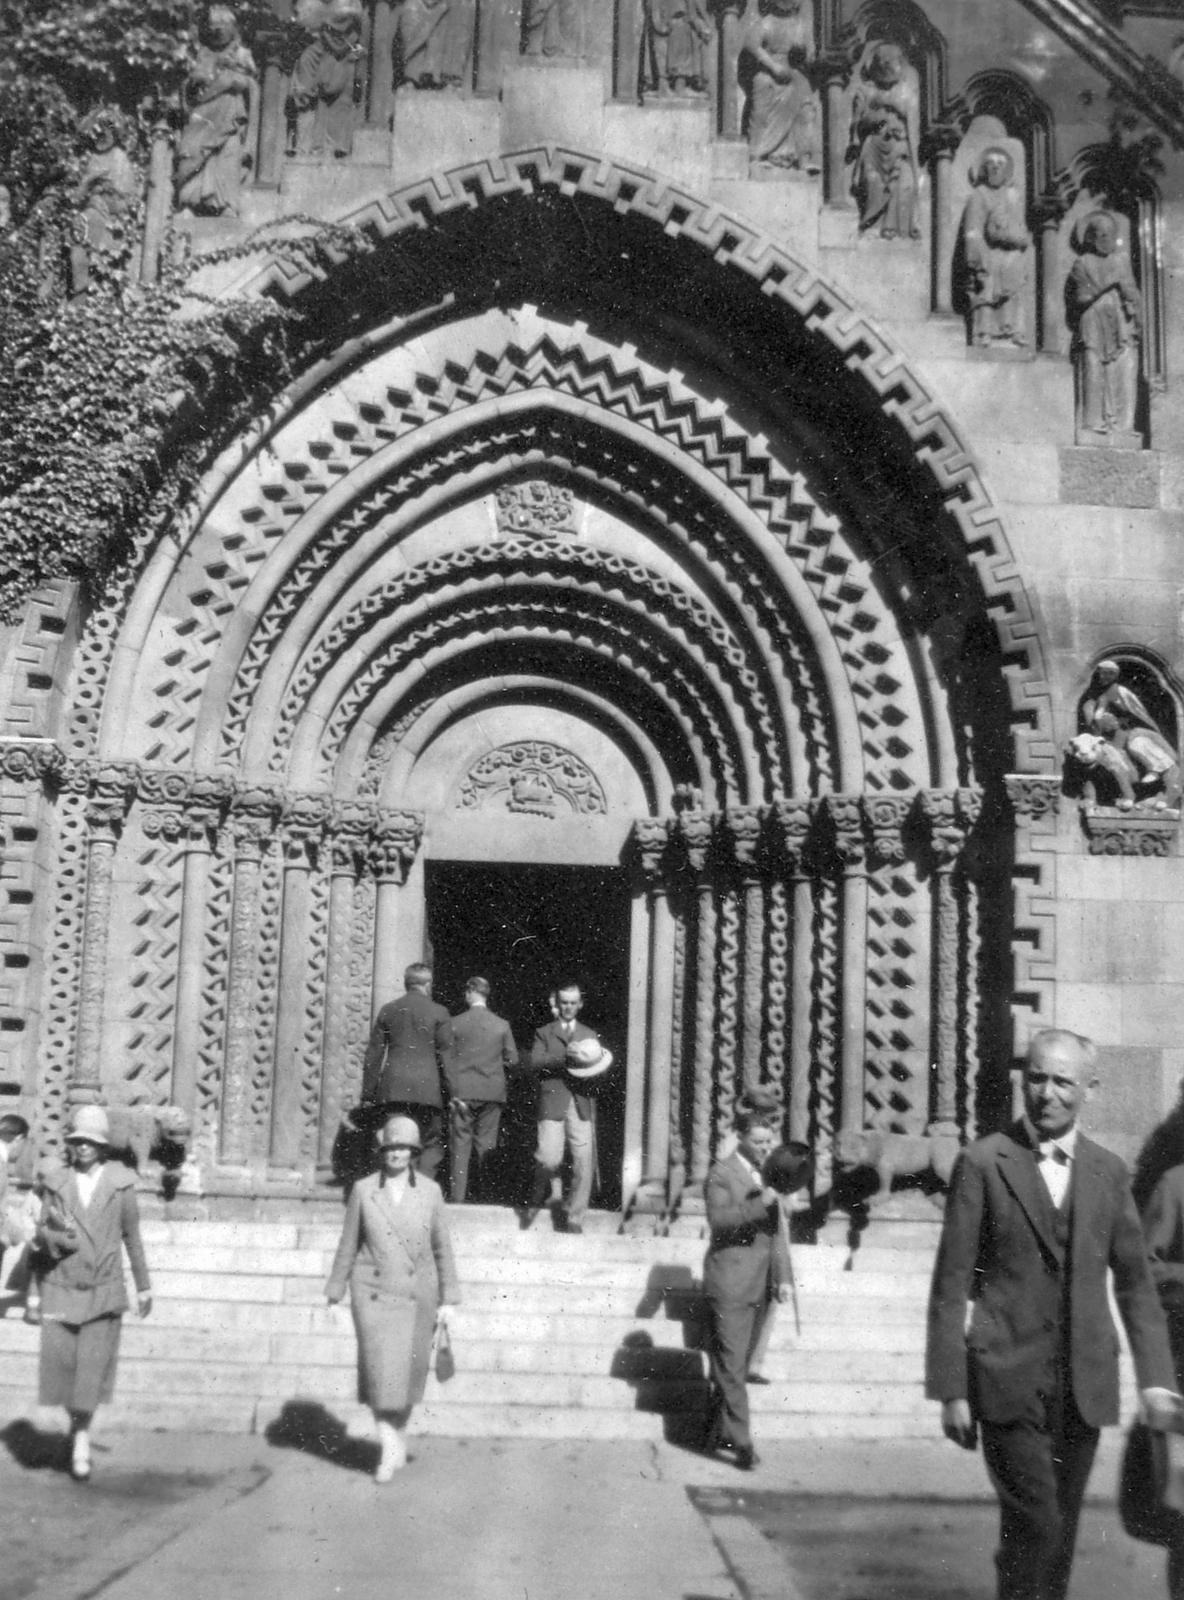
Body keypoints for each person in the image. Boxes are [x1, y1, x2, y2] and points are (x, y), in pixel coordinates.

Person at [926, 1029, 1180, 1600]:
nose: (1046, 1093)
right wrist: (950, 1389)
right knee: (1036, 1525)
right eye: (1035, 1077)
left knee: (1056, 1538)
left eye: (1063, 1081)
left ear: (1090, 1088)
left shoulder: (1109, 1172)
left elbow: (1137, 1285)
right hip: (1006, 1378)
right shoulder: (985, 1161)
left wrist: (1157, 1382)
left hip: (1082, 1387)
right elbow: (949, 1285)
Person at [325, 1114, 460, 1481]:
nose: (395, 1154)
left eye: (402, 1148)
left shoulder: (431, 1192)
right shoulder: (363, 1190)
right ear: (381, 1150)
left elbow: (442, 1248)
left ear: (413, 1153)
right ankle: (387, 1448)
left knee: (408, 1379)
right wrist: (334, 1293)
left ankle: (396, 1437)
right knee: (381, 1374)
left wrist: (449, 1298)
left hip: (419, 1295)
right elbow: (348, 1244)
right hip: (374, 1294)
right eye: (390, 1147)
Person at [34, 1105, 152, 1481]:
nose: (83, 1148)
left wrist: (145, 1286)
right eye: (77, 1141)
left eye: (91, 1142)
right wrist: (55, 1239)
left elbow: (133, 1238)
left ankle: (81, 1438)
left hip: (104, 1291)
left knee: (91, 1372)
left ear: (104, 1148)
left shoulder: (120, 1186)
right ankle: (76, 1428)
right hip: (60, 1289)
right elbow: (39, 1234)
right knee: (64, 1372)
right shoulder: (56, 1183)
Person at [702, 1103, 792, 1470]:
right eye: (757, 1142)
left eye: (768, 1142)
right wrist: (761, 1203)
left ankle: (712, 1430)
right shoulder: (722, 1174)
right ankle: (742, 1444)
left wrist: (784, 1276)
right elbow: (719, 1220)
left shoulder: (771, 1175)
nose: (764, 1148)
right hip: (731, 1284)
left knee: (732, 1366)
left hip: (762, 1285)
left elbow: (778, 1232)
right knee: (733, 1367)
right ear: (739, 1138)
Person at [362, 963, 453, 1181]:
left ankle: (397, 1186)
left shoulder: (388, 1010)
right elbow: (446, 1056)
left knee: (396, 1140)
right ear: (428, 984)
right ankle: (420, 1188)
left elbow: (374, 1055)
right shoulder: (440, 1012)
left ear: (406, 983)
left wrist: (367, 1093)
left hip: (394, 1089)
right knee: (430, 1142)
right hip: (428, 1091)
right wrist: (453, 1093)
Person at [522, 983, 601, 1234]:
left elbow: (597, 1071)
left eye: (573, 1002)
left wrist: (590, 1064)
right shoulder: (544, 1032)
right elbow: (535, 1062)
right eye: (564, 1002)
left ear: (580, 1004)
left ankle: (575, 1217)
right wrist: (564, 1056)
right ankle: (539, 1192)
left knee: (583, 1162)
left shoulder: (589, 1034)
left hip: (580, 1103)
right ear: (557, 1003)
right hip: (553, 1101)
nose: (568, 1007)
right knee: (548, 1157)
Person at [445, 976, 518, 1204]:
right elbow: (513, 1059)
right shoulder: (501, 1025)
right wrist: (495, 1068)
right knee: (487, 1147)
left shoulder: (455, 1023)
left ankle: (458, 1199)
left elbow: (446, 1058)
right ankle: (485, 1198)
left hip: (462, 1093)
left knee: (460, 1146)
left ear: (470, 992)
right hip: (491, 1093)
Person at [962, 147, 1031, 347]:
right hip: (986, 253)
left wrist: (1013, 239)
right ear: (984, 168)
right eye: (990, 163)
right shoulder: (979, 195)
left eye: (1000, 164)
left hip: (1009, 253)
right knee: (989, 277)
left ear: (1007, 170)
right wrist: (978, 258)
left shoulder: (1012, 197)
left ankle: (1012, 331)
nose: (995, 168)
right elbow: (973, 232)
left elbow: (1021, 232)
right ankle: (985, 332)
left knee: (1013, 268)